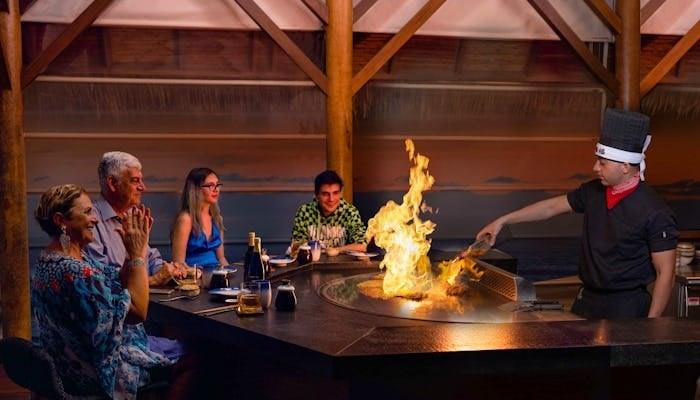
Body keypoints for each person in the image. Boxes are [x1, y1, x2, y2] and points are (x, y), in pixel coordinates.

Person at [476, 109, 677, 319]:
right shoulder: (593, 191)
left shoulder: (655, 211)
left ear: (625, 167)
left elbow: (666, 273)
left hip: (627, 306)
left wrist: (651, 326)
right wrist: (503, 221)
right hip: (587, 300)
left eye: (602, 163)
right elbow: (551, 208)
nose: (595, 167)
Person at [32, 184, 198, 399]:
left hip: (67, 369)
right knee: (195, 361)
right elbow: (138, 312)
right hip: (98, 373)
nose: (95, 219)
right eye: (87, 212)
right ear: (60, 220)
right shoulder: (76, 272)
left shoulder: (49, 260)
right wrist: (138, 255)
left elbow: (116, 279)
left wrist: (131, 251)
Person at [86, 151, 188, 286]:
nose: (142, 187)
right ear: (112, 183)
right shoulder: (90, 221)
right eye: (135, 181)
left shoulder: (132, 214)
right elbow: (101, 281)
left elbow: (150, 258)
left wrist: (170, 270)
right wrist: (155, 279)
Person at [291, 170, 367, 252]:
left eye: (335, 193)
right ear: (316, 195)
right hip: (313, 260)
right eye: (325, 194)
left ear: (340, 193)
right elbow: (296, 245)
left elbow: (362, 245)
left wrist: (337, 250)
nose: (331, 199)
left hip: (343, 260)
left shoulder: (350, 212)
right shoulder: (305, 212)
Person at [171, 167, 229, 270]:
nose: (216, 190)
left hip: (216, 274)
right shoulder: (186, 219)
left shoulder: (217, 218)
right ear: (196, 189)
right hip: (192, 276)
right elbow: (178, 263)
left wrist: (230, 274)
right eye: (211, 185)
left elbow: (221, 258)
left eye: (217, 185)